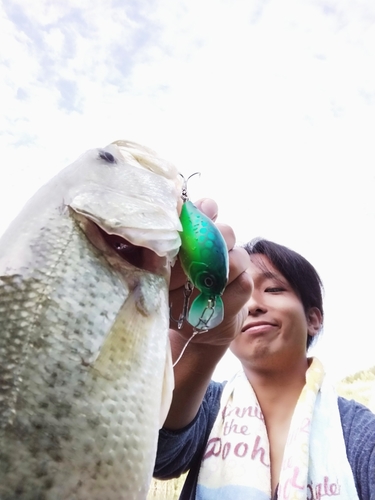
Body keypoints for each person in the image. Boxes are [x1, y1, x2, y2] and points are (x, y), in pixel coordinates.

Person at [154, 199, 375, 500]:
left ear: (313, 318)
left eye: (273, 289)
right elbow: (160, 453)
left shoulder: (360, 433)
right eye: (239, 296)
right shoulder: (207, 408)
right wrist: (198, 345)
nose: (254, 305)